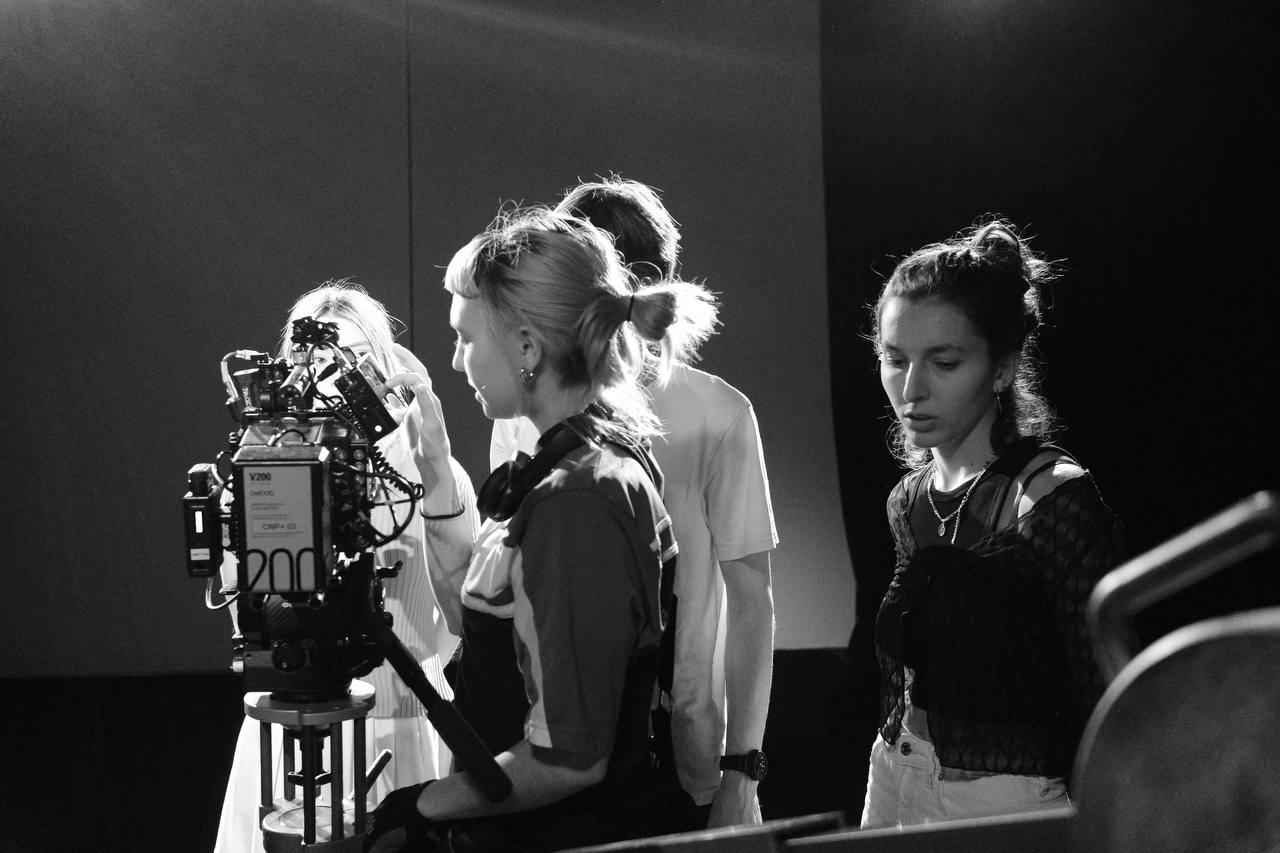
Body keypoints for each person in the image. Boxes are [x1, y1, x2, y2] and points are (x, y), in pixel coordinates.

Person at [363, 207, 715, 852]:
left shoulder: (579, 497)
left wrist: (423, 803)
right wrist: (436, 467)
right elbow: (492, 637)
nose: (456, 360)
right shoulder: (584, 462)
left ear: (527, 348)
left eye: (466, 338)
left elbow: (569, 758)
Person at [490, 177, 778, 828]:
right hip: (554, 745)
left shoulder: (718, 412)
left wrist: (741, 770)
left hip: (681, 756)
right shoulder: (521, 412)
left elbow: (752, 604)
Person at [860, 219, 1125, 829]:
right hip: (893, 773)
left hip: (1004, 803)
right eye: (894, 360)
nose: (911, 388)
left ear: (1002, 369)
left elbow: (1107, 690)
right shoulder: (909, 502)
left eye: (944, 362)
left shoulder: (1049, 497)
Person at [214, 281, 472, 853]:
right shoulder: (260, 475)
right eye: (310, 363)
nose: (328, 383)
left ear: (379, 368)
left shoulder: (430, 467)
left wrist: (433, 467)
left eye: (347, 362)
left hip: (404, 725)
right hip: (289, 723)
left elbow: (460, 623)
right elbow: (250, 625)